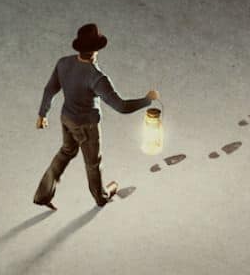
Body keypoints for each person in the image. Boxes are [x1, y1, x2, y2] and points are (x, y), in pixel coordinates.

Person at [32, 23, 160, 209]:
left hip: (67, 119)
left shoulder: (64, 63)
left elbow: (50, 88)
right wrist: (147, 100)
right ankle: (101, 197)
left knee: (66, 152)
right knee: (93, 163)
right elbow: (121, 106)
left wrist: (42, 114)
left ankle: (42, 195)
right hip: (87, 126)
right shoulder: (96, 77)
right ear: (95, 51)